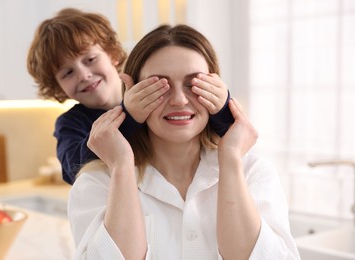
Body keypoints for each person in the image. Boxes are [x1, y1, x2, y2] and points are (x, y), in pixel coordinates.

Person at [68, 24, 300, 259]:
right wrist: (121, 165)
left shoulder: (253, 173)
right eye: (159, 86)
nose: (179, 100)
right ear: (132, 92)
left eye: (193, 84)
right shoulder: (97, 183)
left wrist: (230, 158)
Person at [27, 8, 234, 185]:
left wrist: (221, 106)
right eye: (67, 73)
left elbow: (228, 135)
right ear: (58, 85)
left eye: (90, 59)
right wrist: (129, 116)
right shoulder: (70, 123)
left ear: (113, 55)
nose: (84, 75)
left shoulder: (159, 99)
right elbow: (75, 171)